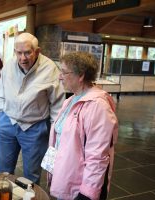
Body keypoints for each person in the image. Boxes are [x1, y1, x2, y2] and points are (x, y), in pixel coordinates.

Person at [47, 52, 118, 200]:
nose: (60, 76)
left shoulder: (97, 106)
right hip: (67, 176)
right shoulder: (72, 99)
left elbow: (97, 157)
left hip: (78, 187)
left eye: (64, 72)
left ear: (81, 76)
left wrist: (87, 194)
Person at [0, 33, 64, 183]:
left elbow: (57, 104)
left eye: (27, 52)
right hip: (8, 122)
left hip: (35, 127)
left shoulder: (50, 69)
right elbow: (1, 91)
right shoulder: (8, 65)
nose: (23, 58)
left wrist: (55, 132)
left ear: (37, 51)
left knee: (31, 176)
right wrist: (0, 113)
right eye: (19, 53)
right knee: (2, 172)